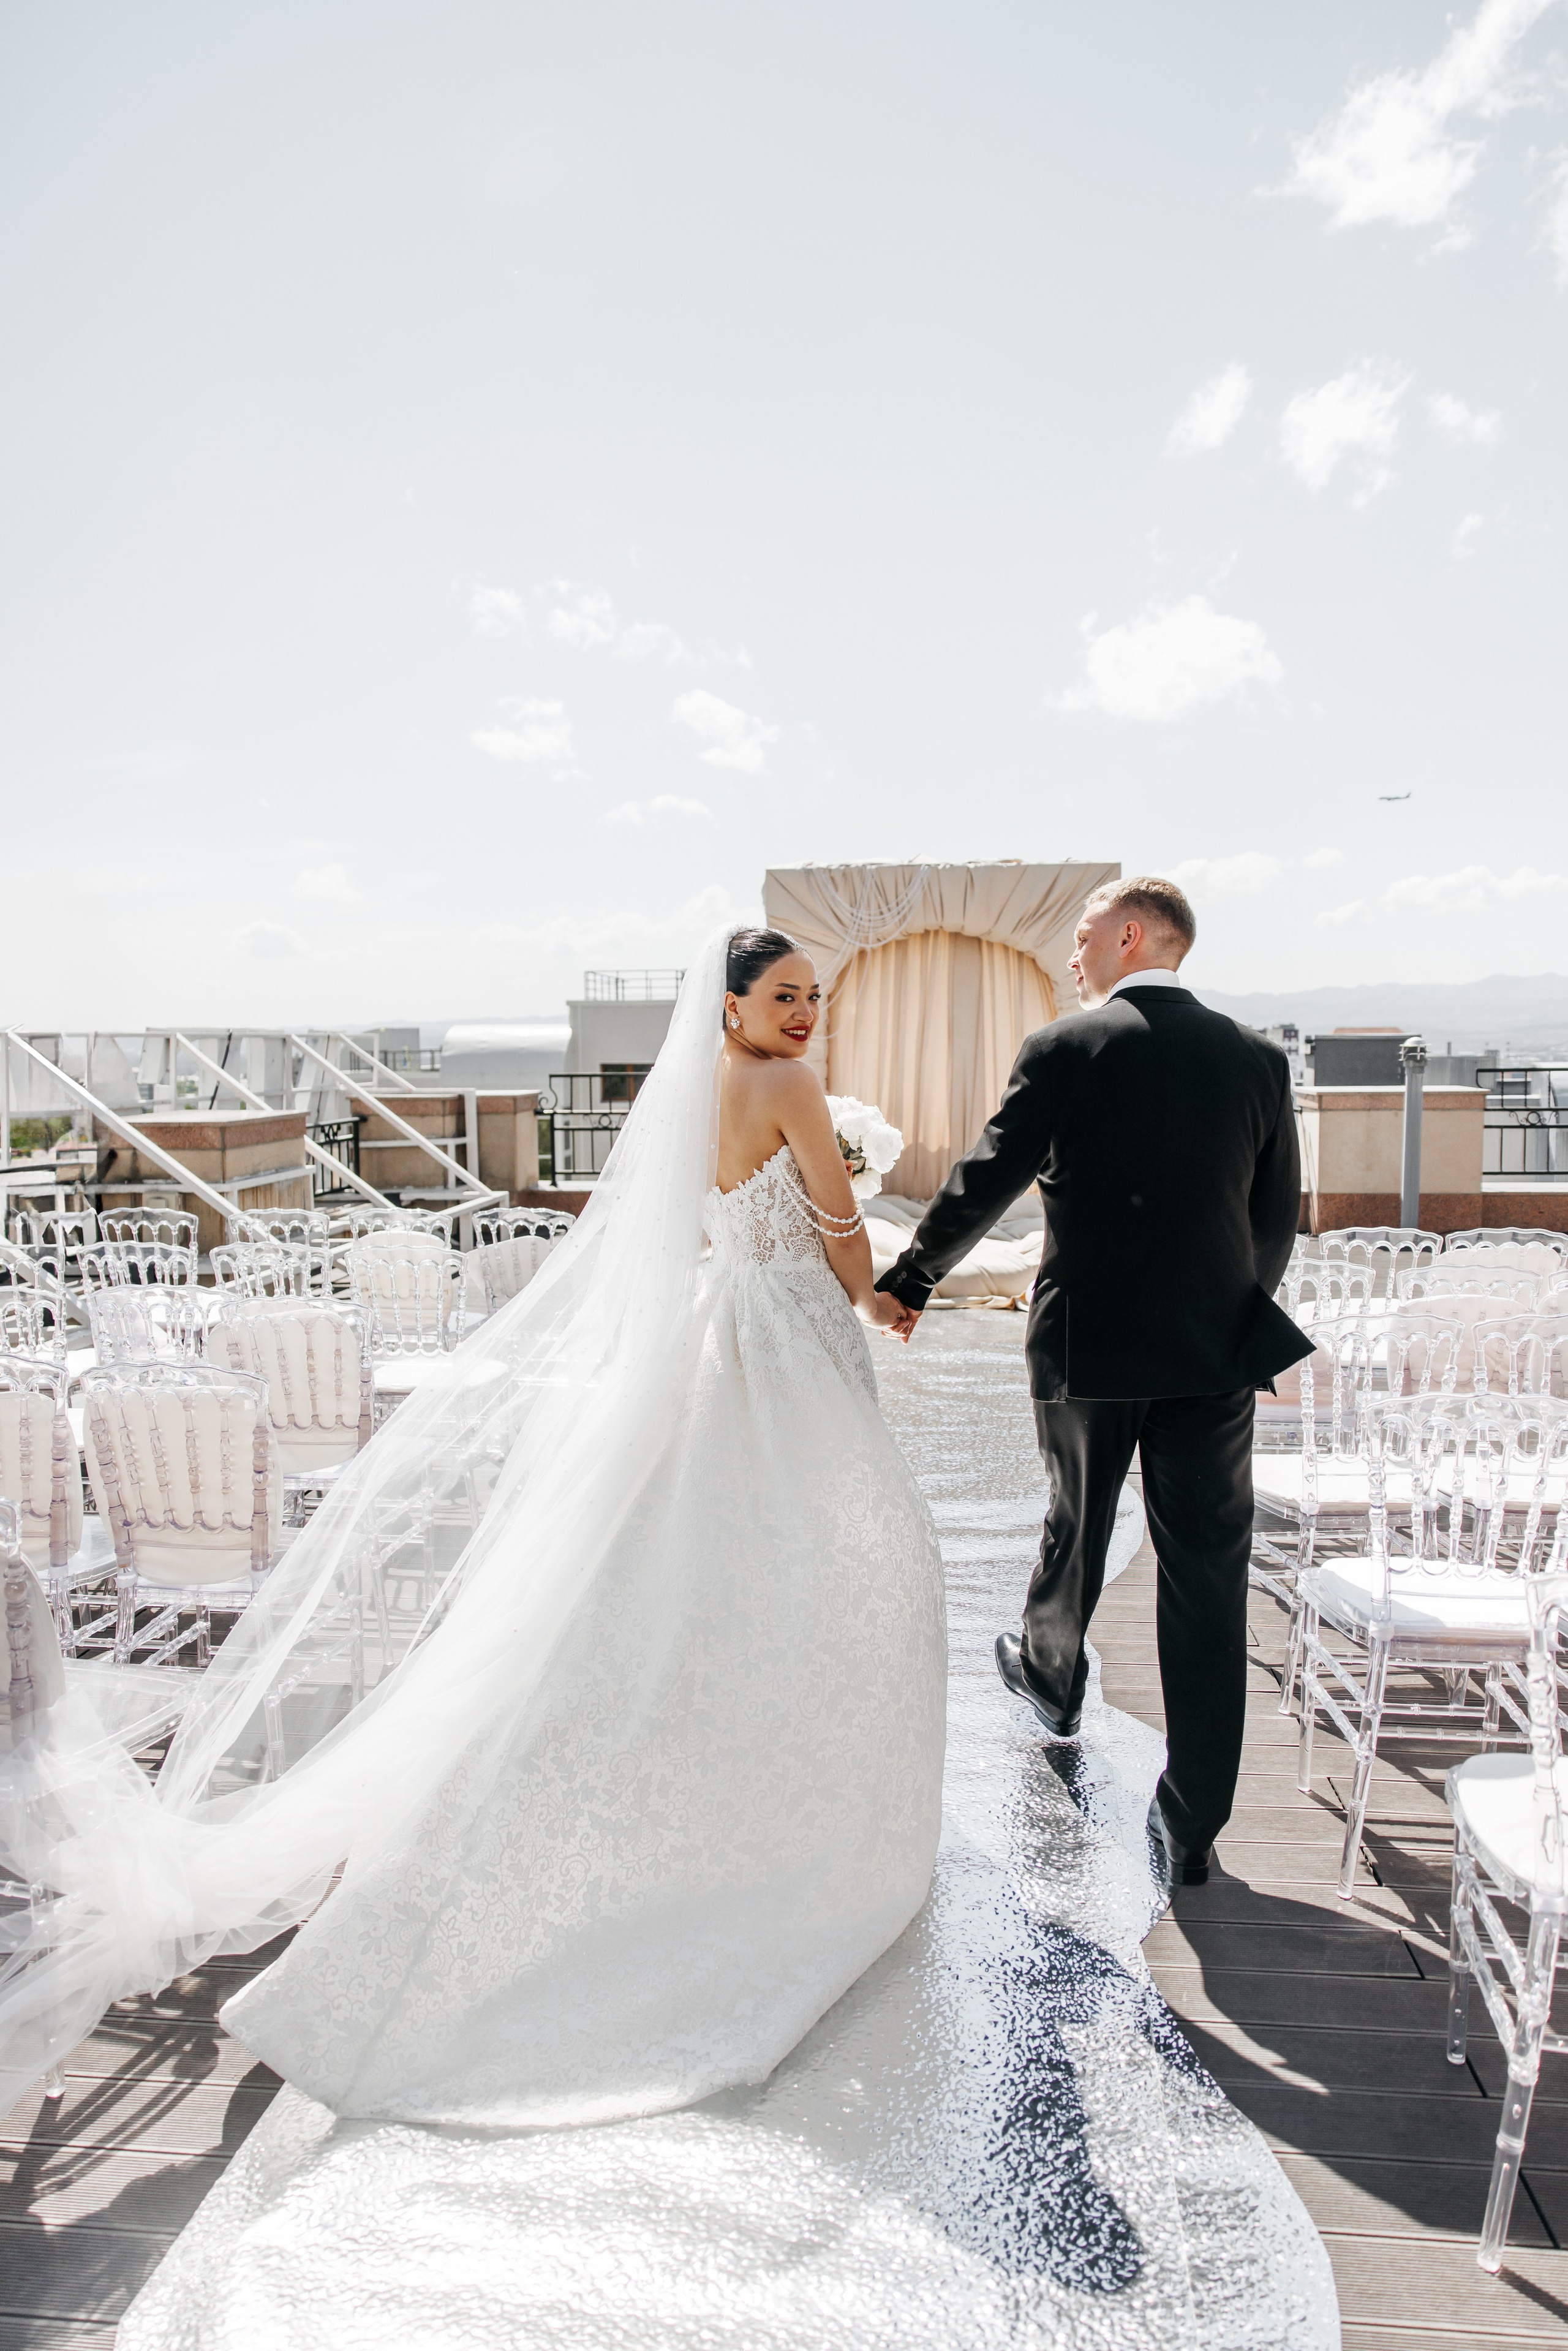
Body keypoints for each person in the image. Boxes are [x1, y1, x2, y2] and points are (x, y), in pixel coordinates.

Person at [0, 925, 946, 2143]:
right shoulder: (787, 1084)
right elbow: (835, 1227)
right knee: (841, 1559)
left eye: (813, 995)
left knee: (691, 1560)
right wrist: (871, 1278)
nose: (804, 1011)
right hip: (786, 1334)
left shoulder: (691, 1091)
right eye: (782, 993)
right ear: (728, 1005)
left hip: (715, 1331)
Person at [875, 876, 1309, 1887]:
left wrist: (912, 1278)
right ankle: (1192, 1823)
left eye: (1081, 937)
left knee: (1077, 1521)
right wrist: (1234, 1311)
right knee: (1207, 1574)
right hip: (1214, 1358)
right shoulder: (1255, 1058)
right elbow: (1277, 1214)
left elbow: (990, 1174)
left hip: (1089, 1348)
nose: (1074, 957)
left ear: (1128, 935)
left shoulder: (1067, 1048)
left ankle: (1053, 1677)